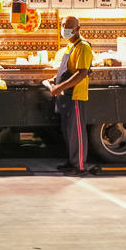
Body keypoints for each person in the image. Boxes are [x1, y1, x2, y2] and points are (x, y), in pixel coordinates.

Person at [47, 16, 94, 176]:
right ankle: (71, 161)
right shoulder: (70, 47)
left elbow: (81, 73)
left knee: (77, 132)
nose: (64, 29)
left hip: (75, 96)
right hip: (65, 97)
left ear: (78, 29)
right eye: (62, 26)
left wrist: (59, 86)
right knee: (68, 131)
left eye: (68, 27)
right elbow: (67, 71)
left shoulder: (83, 47)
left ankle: (79, 165)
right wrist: (54, 80)